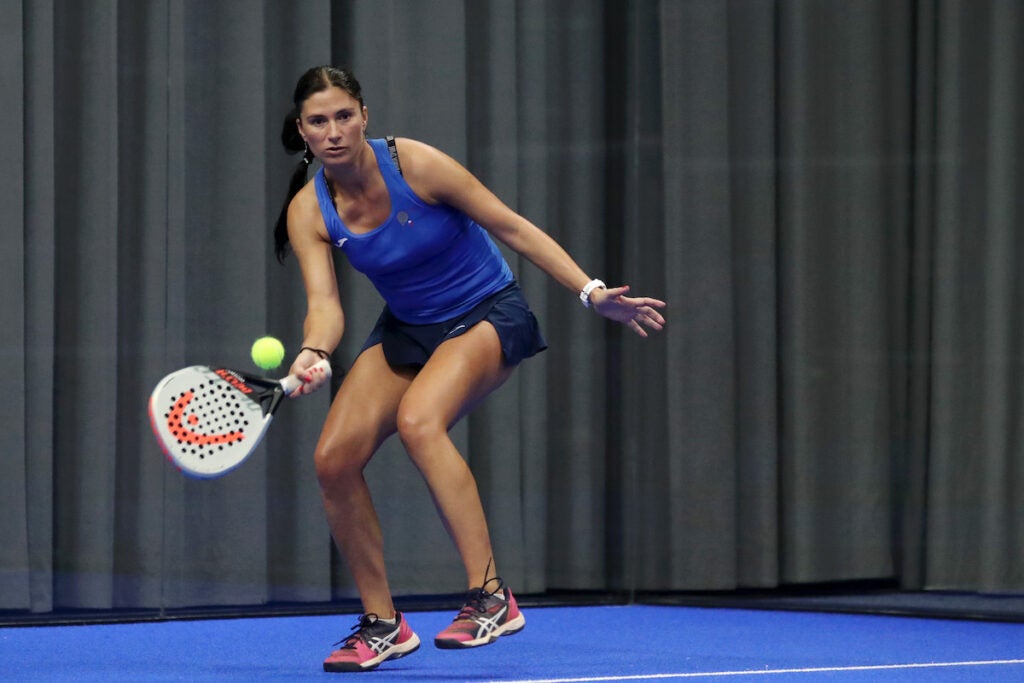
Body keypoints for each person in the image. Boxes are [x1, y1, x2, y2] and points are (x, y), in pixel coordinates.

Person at [274, 65, 666, 674]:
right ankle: (383, 624)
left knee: (419, 422)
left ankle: (491, 597)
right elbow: (324, 307)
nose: (334, 131)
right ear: (302, 131)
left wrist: (590, 292)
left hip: (487, 310)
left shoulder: (415, 165)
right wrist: (314, 353)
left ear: (364, 117)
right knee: (333, 459)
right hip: (408, 327)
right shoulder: (310, 211)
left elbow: (509, 225)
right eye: (319, 122)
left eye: (344, 116)